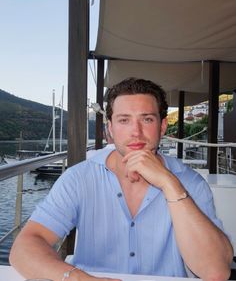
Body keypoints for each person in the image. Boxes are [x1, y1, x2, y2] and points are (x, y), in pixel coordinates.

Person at [10, 78, 233, 281]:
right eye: (124, 120)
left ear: (162, 126)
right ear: (111, 128)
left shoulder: (191, 182)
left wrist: (169, 184)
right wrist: (76, 278)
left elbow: (216, 271)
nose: (136, 132)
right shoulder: (79, 178)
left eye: (147, 119)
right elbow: (26, 247)